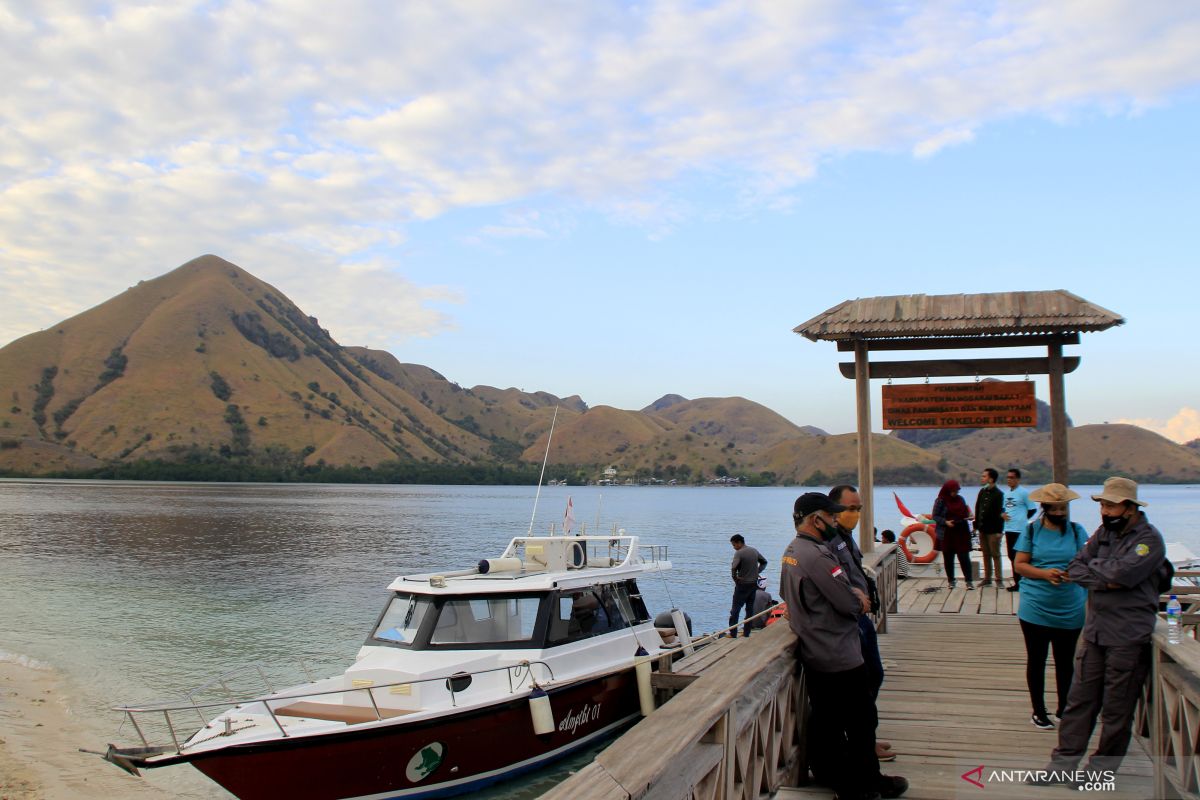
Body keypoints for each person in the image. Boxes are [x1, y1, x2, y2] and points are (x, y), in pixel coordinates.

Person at [1040, 477, 1170, 781]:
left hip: (1127, 635)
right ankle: (1061, 768)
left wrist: (1098, 572)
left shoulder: (1149, 540)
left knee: (1116, 710)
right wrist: (1105, 576)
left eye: (1111, 505)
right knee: (1079, 702)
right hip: (1096, 631)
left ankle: (1099, 772)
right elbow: (1075, 566)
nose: (1105, 511)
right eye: (1103, 505)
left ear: (1129, 508)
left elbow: (1123, 574)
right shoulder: (1103, 533)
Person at [781, 493, 908, 800]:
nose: (836, 520)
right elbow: (848, 602)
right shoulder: (818, 556)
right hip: (837, 653)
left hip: (817, 650)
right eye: (831, 515)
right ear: (815, 519)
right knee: (858, 722)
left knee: (830, 721)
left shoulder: (792, 552)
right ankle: (858, 784)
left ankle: (856, 779)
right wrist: (860, 600)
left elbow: (788, 596)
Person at [827, 486, 894, 763]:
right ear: (834, 510)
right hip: (850, 621)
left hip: (862, 618)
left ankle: (867, 737)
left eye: (858, 509)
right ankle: (862, 742)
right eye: (850, 509)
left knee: (873, 677)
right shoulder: (829, 542)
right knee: (865, 680)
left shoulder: (846, 538)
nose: (854, 514)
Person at [1013, 483, 1088, 730]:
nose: (1060, 512)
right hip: (1036, 605)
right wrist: (1045, 574)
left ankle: (1065, 708)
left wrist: (1072, 574)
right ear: (1045, 507)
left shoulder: (1077, 532)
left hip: (1070, 606)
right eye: (1054, 507)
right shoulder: (1032, 531)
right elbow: (1020, 565)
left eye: (1063, 507)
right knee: (1037, 659)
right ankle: (1038, 710)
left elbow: (1086, 564)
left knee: (1065, 661)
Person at [1001, 468, 1038, 592]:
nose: (1009, 480)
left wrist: (1023, 519)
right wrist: (1002, 515)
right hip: (1009, 528)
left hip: (1020, 530)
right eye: (1008, 477)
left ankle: (1024, 582)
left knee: (1020, 556)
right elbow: (1003, 508)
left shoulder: (1024, 493)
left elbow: (1033, 509)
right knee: (1011, 556)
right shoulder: (1006, 494)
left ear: (1017, 479)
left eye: (1011, 477)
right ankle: (1017, 582)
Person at [932, 480, 973, 590]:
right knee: (948, 557)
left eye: (956, 491)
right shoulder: (940, 501)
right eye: (953, 491)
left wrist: (969, 515)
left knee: (964, 557)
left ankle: (969, 581)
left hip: (961, 531)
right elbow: (935, 516)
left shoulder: (961, 499)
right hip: (947, 532)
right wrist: (945, 522)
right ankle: (951, 580)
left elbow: (965, 512)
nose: (955, 494)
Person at [729, 534, 767, 638]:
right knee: (749, 609)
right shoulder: (754, 550)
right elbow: (764, 562)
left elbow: (733, 567)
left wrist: (735, 579)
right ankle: (746, 633)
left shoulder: (739, 553)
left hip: (742, 585)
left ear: (738, 543)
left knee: (735, 609)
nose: (734, 547)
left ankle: (733, 633)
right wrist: (757, 571)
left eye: (734, 545)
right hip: (753, 584)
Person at [975, 468, 1005, 586]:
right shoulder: (982, 492)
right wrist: (976, 525)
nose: (982, 478)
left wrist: (999, 531)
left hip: (993, 530)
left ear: (991, 479)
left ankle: (999, 579)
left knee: (995, 554)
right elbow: (978, 509)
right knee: (985, 554)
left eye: (984, 476)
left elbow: (1000, 513)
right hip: (983, 528)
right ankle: (987, 578)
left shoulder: (999, 494)